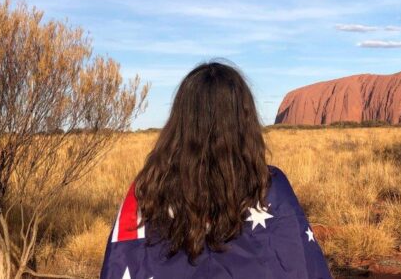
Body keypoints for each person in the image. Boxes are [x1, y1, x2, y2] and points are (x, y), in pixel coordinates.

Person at [100, 61, 332, 279]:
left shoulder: (147, 188)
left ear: (179, 121)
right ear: (245, 122)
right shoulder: (270, 185)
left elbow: (122, 260)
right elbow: (298, 261)